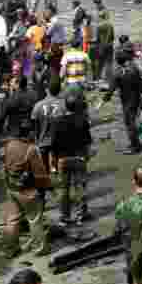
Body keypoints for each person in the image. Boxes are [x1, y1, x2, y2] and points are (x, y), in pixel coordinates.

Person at [1, 120, 51, 258]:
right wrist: (47, 186)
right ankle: (39, 249)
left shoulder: (8, 145)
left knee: (11, 219)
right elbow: (40, 173)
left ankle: (9, 249)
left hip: (11, 188)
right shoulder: (31, 149)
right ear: (29, 133)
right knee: (34, 219)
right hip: (27, 191)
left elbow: (4, 165)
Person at [52, 90, 93, 226]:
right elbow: (87, 142)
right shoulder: (82, 121)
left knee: (64, 189)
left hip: (63, 160)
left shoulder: (57, 122)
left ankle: (65, 216)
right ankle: (81, 214)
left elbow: (54, 145)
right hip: (79, 158)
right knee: (80, 187)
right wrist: (86, 156)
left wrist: (54, 161)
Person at [107, 50, 142, 155]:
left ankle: (135, 146)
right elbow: (141, 85)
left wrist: (104, 100)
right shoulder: (134, 69)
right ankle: (137, 142)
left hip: (127, 101)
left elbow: (111, 89)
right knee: (135, 121)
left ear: (117, 61)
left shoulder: (118, 73)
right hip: (137, 99)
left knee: (130, 124)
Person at [31, 76, 65, 173]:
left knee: (44, 165)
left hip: (43, 140)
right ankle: (57, 171)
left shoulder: (37, 106)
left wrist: (36, 139)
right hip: (59, 139)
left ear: (47, 90)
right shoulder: (63, 104)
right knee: (59, 160)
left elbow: (35, 124)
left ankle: (47, 180)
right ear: (60, 90)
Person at [95, 10, 115, 83]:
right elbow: (112, 36)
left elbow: (97, 38)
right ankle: (108, 78)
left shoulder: (99, 26)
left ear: (100, 17)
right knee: (109, 63)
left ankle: (98, 78)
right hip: (109, 45)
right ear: (105, 16)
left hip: (101, 46)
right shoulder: (110, 25)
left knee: (100, 63)